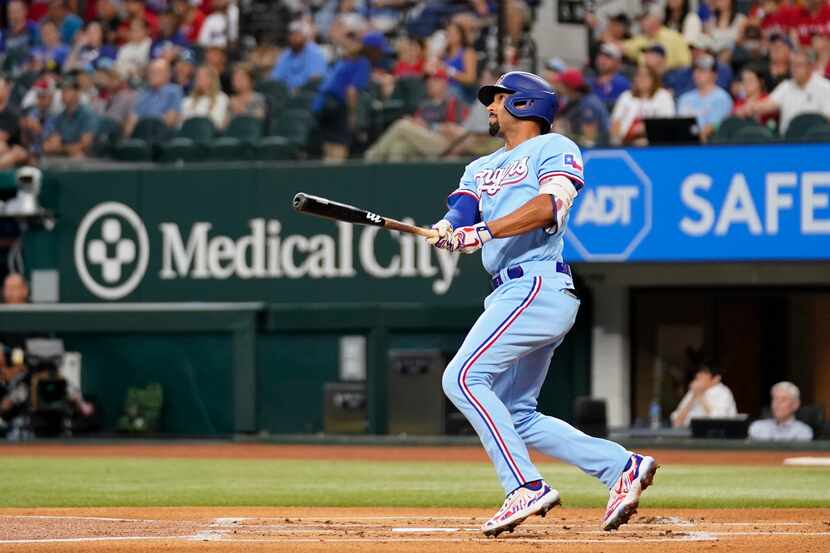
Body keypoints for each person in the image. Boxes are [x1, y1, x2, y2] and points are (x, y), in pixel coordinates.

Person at [426, 71, 658, 537]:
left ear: (525, 104)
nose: (490, 107)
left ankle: (523, 486)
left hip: (535, 284)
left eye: (498, 98)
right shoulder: (479, 167)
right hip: (511, 290)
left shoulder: (556, 149)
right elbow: (464, 209)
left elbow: (549, 206)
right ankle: (621, 467)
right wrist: (450, 227)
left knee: (463, 377)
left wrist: (483, 232)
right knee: (517, 414)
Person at [364, 68, 468, 162]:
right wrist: (416, 123)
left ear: (445, 83)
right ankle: (392, 179)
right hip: (423, 142)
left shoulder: (453, 103)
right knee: (399, 147)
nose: (430, 83)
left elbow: (460, 133)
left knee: (402, 125)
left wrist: (430, 126)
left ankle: (371, 157)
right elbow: (417, 126)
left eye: (435, 80)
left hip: (443, 144)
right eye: (429, 80)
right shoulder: (424, 105)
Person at [737, 49, 830, 134]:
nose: (794, 69)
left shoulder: (825, 87)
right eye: (792, 65)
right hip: (788, 141)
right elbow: (767, 105)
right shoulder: (786, 86)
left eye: (799, 65)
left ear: (810, 66)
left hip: (817, 142)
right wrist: (750, 107)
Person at [312, 32, 372, 162]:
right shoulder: (347, 61)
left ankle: (331, 176)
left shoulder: (355, 62)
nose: (351, 44)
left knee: (334, 148)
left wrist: (352, 114)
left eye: (355, 41)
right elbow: (350, 90)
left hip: (331, 106)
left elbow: (351, 90)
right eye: (350, 41)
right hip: (332, 107)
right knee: (333, 147)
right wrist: (352, 115)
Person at [610, 65, 675, 145]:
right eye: (639, 75)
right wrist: (617, 142)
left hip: (655, 144)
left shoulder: (663, 96)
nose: (641, 79)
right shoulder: (626, 96)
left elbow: (667, 125)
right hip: (626, 143)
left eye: (646, 76)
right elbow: (615, 123)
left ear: (654, 79)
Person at [677, 54, 734, 142]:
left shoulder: (721, 97)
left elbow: (713, 126)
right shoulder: (685, 98)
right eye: (695, 70)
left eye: (702, 71)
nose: (697, 74)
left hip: (710, 145)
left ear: (714, 75)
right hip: (682, 142)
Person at [42, 74, 99, 158]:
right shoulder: (60, 116)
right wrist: (56, 147)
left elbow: (84, 145)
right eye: (62, 91)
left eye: (67, 90)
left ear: (77, 93)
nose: (63, 94)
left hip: (92, 159)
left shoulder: (88, 114)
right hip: (65, 156)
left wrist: (61, 148)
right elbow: (54, 142)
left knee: (78, 155)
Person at [124, 58, 183, 136]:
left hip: (161, 137)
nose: (152, 75)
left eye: (157, 72)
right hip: (141, 136)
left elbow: (171, 120)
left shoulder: (174, 91)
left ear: (167, 74)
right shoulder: (143, 93)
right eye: (151, 72)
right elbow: (132, 121)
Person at [553, 68, 610, 147]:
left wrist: (564, 135)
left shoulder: (589, 103)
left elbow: (590, 140)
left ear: (569, 87)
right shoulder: (573, 100)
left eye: (561, 84)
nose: (558, 87)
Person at [670, 362, 737, 428]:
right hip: (691, 434)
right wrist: (693, 398)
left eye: (704, 374)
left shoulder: (724, 393)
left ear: (716, 378)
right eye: (699, 373)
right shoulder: (693, 391)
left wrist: (700, 396)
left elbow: (717, 421)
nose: (698, 377)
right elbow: (676, 422)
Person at [623, 9, 691, 71]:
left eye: (646, 19)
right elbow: (623, 47)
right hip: (647, 75)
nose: (642, 23)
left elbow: (685, 63)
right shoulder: (641, 38)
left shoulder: (674, 37)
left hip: (671, 75)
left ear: (657, 21)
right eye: (642, 20)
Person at [268, 20, 327, 93]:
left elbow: (316, 80)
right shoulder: (287, 53)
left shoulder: (315, 52)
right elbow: (275, 77)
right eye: (292, 35)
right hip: (286, 93)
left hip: (307, 94)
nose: (294, 38)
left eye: (297, 35)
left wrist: (298, 90)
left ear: (305, 36)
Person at [748, 382, 814, 441]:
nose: (777, 404)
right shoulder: (757, 427)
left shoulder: (803, 431)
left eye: (783, 400)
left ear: (795, 404)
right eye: (775, 399)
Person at [183, 64, 229, 130]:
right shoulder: (188, 100)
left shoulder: (221, 98)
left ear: (212, 79)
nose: (199, 80)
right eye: (198, 77)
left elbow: (217, 123)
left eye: (203, 76)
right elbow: (183, 124)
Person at [589, 43, 630, 109]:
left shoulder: (622, 83)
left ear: (618, 62)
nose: (602, 60)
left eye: (608, 57)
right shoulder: (589, 81)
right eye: (600, 55)